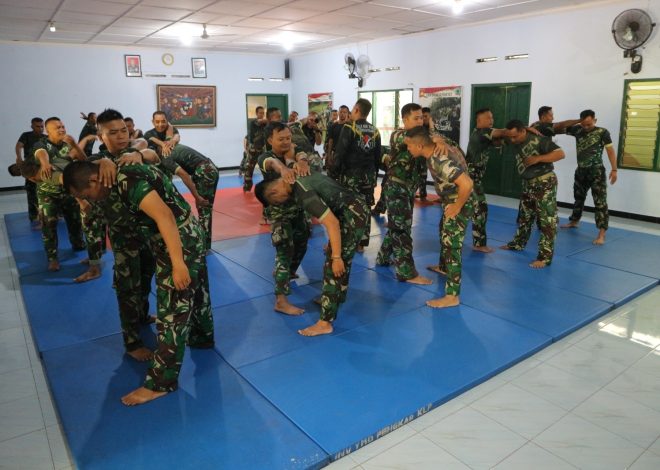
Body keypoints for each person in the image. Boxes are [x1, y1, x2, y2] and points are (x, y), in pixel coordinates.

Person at [63, 159, 213, 406]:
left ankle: (161, 383)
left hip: (178, 240)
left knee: (173, 308)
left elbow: (164, 216)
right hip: (180, 234)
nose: (87, 200)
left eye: (85, 194)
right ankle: (203, 337)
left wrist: (177, 263)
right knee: (197, 290)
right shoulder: (111, 177)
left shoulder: (127, 181)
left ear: (93, 180)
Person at [255, 171, 368, 336]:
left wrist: (336, 256)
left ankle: (325, 322)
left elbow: (332, 223)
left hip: (351, 216)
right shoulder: (296, 180)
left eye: (275, 201)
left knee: (334, 264)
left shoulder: (302, 193)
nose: (280, 203)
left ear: (273, 193)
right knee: (339, 260)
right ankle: (336, 298)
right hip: (354, 210)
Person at [91, 109, 162, 362]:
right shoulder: (97, 163)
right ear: (101, 136)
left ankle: (142, 316)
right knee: (127, 288)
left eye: (124, 130)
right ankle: (132, 343)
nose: (121, 136)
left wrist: (138, 152)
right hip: (124, 239)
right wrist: (102, 161)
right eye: (113, 133)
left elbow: (149, 150)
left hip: (147, 234)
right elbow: (80, 169)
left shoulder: (133, 150)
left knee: (146, 277)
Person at [405, 126, 474, 307]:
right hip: (451, 198)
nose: (408, 149)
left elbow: (467, 184)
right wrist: (439, 139)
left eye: (410, 146)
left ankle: (452, 296)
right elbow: (434, 136)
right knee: (444, 233)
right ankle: (444, 268)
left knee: (452, 246)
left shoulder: (439, 159)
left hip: (459, 199)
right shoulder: (435, 145)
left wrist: (457, 206)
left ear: (420, 146)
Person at [257, 122, 312, 316]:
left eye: (288, 138)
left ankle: (288, 273)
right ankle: (280, 300)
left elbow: (301, 153)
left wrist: (302, 160)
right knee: (284, 251)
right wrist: (284, 169)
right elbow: (275, 164)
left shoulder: (292, 150)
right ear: (270, 140)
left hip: (298, 209)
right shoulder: (265, 157)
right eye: (281, 139)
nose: (286, 142)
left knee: (303, 242)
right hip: (280, 214)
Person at [375, 103, 432, 285]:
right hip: (397, 188)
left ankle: (383, 257)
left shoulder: (422, 135)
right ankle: (406, 272)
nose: (420, 121)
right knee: (402, 230)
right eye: (416, 118)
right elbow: (416, 141)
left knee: (397, 226)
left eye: (422, 118)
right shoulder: (399, 136)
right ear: (405, 120)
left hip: (407, 188)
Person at [500, 120, 565, 268]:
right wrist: (528, 127)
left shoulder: (539, 140)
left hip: (544, 183)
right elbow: (501, 132)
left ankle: (544, 258)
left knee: (547, 221)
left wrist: (538, 158)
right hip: (528, 184)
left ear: (523, 132)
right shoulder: (515, 137)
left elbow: (560, 154)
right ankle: (517, 244)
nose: (512, 140)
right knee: (525, 217)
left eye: (515, 136)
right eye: (510, 137)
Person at [32, 117, 88, 271]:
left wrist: (75, 144)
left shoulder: (67, 145)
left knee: (75, 222)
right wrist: (45, 163)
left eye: (63, 126)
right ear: (47, 131)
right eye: (58, 127)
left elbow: (84, 161)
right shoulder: (41, 144)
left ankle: (78, 244)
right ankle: (52, 257)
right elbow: (41, 153)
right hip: (47, 193)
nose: (62, 129)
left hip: (68, 192)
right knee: (49, 225)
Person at [561, 109, 617, 245]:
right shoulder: (577, 130)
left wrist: (614, 169)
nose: (586, 127)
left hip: (596, 172)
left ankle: (602, 233)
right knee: (578, 197)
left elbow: (610, 151)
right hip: (581, 171)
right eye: (583, 124)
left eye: (589, 124)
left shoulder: (603, 132)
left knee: (600, 202)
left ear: (595, 120)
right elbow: (560, 127)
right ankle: (574, 221)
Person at [332, 98, 381, 251]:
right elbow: (378, 156)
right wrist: (374, 176)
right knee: (365, 208)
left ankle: (348, 241)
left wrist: (334, 173)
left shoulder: (349, 128)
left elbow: (340, 153)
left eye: (353, 109)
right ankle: (361, 243)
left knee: (349, 208)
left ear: (357, 110)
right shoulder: (375, 131)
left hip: (350, 176)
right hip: (369, 176)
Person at [159, 143, 219, 252]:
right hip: (209, 168)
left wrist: (196, 196)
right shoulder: (171, 144)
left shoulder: (165, 157)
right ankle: (205, 244)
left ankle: (203, 246)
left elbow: (184, 175)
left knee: (204, 208)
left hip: (204, 171)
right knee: (205, 209)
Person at [465, 108, 510, 253]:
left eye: (492, 118)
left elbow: (497, 142)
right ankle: (479, 244)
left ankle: (476, 242)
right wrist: (521, 129)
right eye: (488, 118)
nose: (491, 120)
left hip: (472, 178)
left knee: (471, 209)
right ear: (479, 121)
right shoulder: (481, 132)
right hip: (470, 179)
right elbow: (501, 133)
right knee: (481, 210)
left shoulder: (483, 135)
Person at [15, 117, 45, 226]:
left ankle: (50, 215)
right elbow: (19, 146)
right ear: (32, 126)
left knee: (47, 193)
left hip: (42, 169)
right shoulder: (26, 135)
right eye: (38, 126)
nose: (41, 129)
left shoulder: (46, 138)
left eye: (42, 126)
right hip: (31, 169)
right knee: (32, 193)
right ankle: (34, 216)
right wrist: (19, 158)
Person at [244, 106, 268, 191]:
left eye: (263, 113)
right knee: (249, 168)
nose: (262, 114)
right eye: (260, 113)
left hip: (262, 149)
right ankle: (247, 188)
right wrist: (272, 118)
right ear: (256, 113)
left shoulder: (265, 124)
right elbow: (261, 121)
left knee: (265, 168)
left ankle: (267, 187)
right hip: (253, 149)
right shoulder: (253, 122)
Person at [324, 105, 350, 179]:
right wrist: (328, 156)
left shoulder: (350, 126)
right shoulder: (333, 126)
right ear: (338, 113)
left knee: (344, 179)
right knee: (331, 178)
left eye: (345, 112)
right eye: (341, 112)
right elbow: (330, 141)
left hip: (346, 156)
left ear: (348, 113)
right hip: (335, 155)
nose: (342, 114)